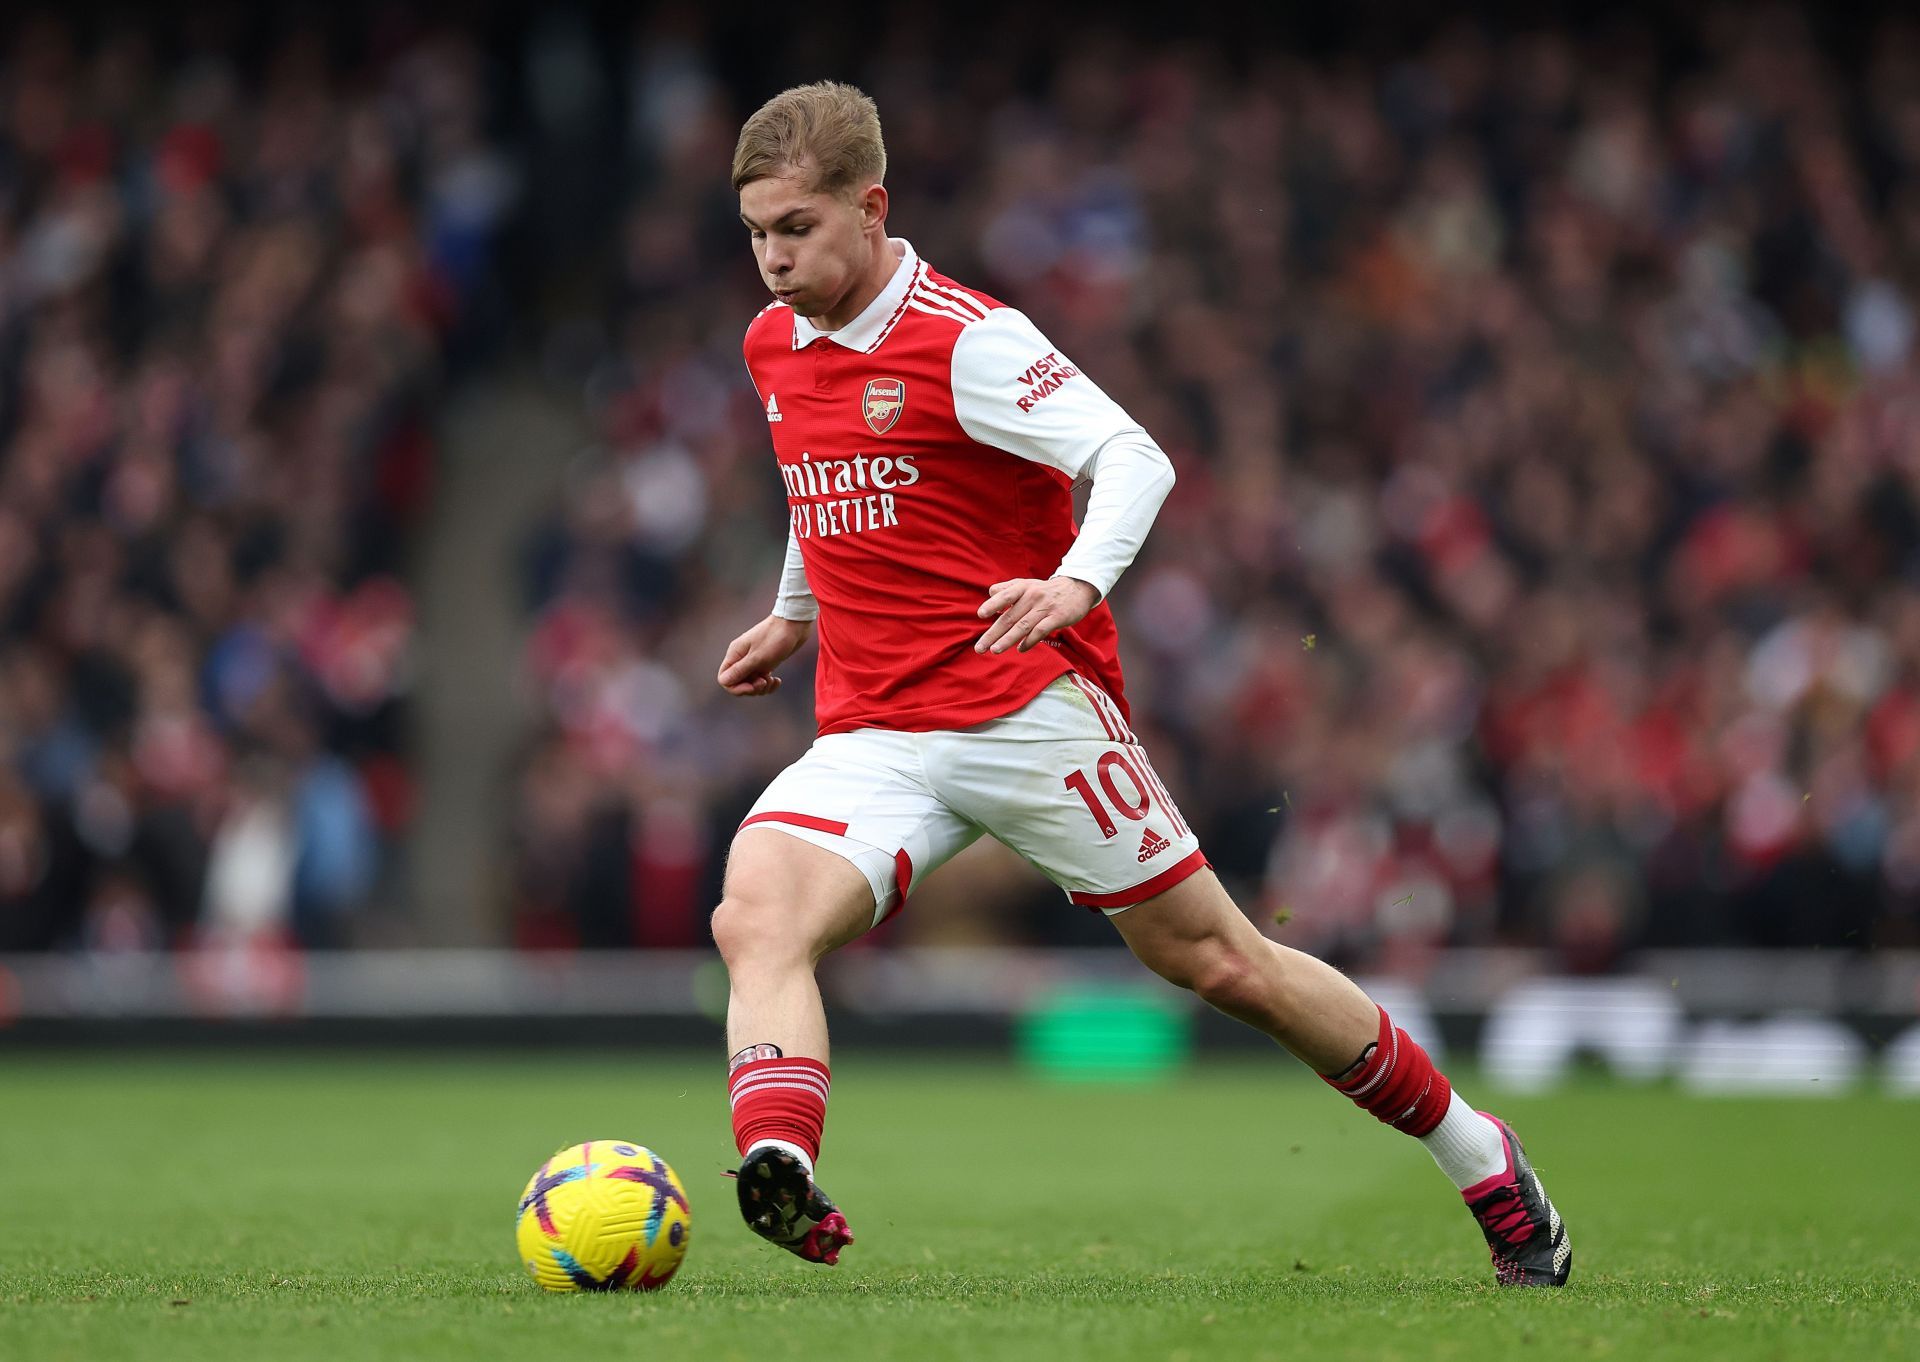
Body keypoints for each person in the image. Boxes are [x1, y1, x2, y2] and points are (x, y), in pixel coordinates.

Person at [712, 81, 1570, 1287]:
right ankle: (782, 1167)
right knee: (755, 917)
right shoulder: (773, 344)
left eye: (796, 229)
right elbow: (822, 482)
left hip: (1022, 705)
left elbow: (1132, 457)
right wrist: (795, 612)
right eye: (755, 232)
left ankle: (1481, 1154)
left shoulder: (967, 337)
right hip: (874, 729)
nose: (772, 259)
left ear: (871, 206)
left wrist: (1072, 582)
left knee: (1223, 966)